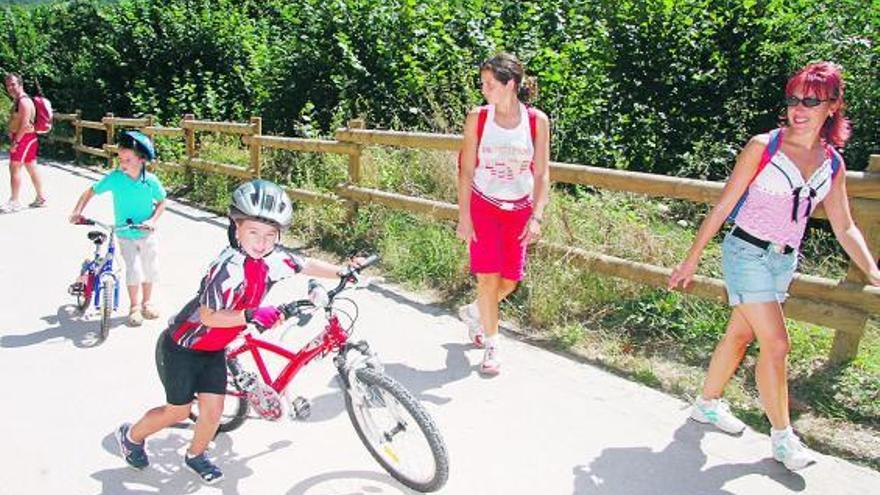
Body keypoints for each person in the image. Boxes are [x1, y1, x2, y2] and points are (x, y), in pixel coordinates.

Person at [668, 62, 880, 471]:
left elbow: (845, 225)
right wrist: (691, 258)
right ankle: (783, 439)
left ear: (833, 105)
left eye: (812, 101)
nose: (799, 108)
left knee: (741, 335)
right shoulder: (764, 146)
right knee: (777, 345)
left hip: (783, 262)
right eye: (793, 98)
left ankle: (706, 404)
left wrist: (873, 271)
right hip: (746, 253)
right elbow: (725, 204)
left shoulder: (831, 163)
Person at [114, 179, 362, 484]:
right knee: (177, 413)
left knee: (214, 410)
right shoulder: (227, 269)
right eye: (253, 232)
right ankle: (131, 436)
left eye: (271, 235)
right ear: (236, 227)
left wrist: (343, 271)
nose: (262, 242)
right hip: (183, 347)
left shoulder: (272, 259)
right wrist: (251, 314)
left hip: (214, 350)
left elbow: (304, 264)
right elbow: (208, 316)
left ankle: (195, 455)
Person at [456, 53, 551, 375]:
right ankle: (492, 343)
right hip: (483, 205)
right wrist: (464, 216)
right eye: (483, 84)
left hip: (519, 210)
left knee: (509, 282)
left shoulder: (537, 121)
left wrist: (536, 215)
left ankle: (476, 312)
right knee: (487, 277)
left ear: (510, 84)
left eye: (489, 84)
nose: (484, 90)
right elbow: (466, 171)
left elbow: (541, 174)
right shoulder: (478, 118)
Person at [70, 130, 166, 326]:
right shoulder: (115, 178)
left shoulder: (151, 181)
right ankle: (134, 307)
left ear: (141, 160)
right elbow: (90, 191)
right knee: (133, 269)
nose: (122, 164)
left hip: (146, 232)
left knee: (150, 267)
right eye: (120, 159)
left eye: (128, 160)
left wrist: (153, 220)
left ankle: (147, 302)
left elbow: (162, 202)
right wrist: (77, 211)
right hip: (124, 232)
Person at [2, 73, 47, 212]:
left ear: (20, 84)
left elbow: (25, 123)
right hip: (25, 138)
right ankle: (41, 197)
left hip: (24, 138)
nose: (10, 88)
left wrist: (16, 142)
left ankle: (14, 201)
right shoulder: (18, 100)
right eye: (8, 85)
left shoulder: (23, 101)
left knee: (14, 167)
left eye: (13, 84)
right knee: (31, 168)